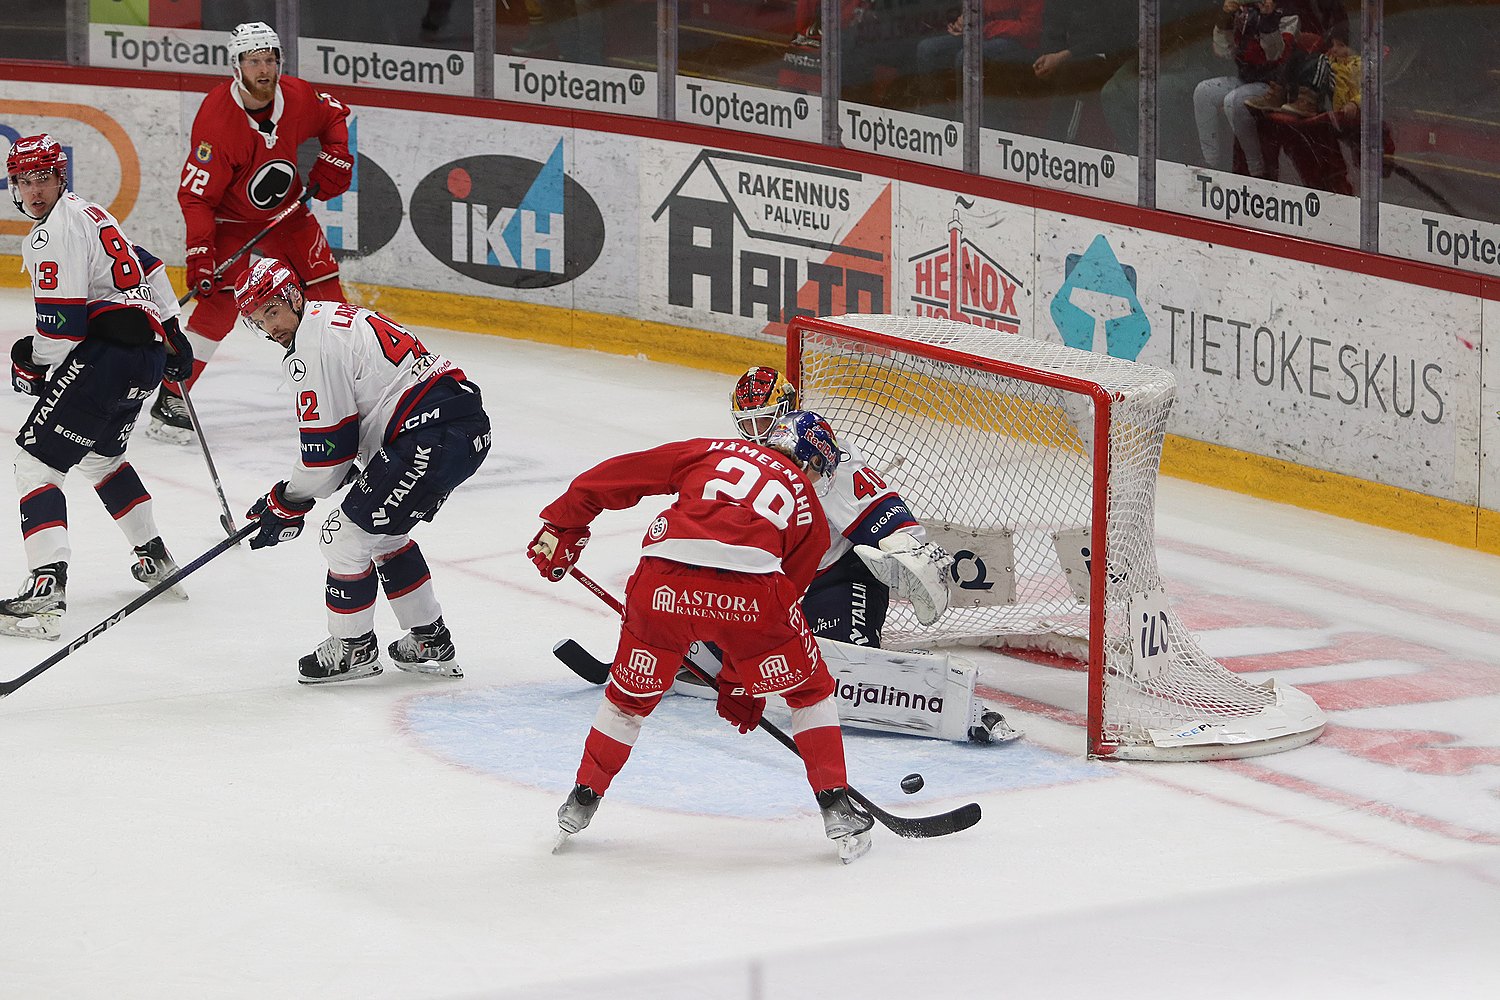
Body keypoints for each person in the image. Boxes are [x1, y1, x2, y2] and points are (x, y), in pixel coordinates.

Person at [529, 411, 875, 863]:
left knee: (627, 701)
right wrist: (738, 680)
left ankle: (581, 800)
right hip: (750, 595)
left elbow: (616, 475)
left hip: (660, 584)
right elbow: (781, 601)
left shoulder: (709, 450)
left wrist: (562, 525)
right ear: (812, 463)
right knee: (809, 693)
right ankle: (836, 807)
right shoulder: (807, 504)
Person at [682, 366, 1015, 745]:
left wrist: (906, 549)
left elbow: (898, 527)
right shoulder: (743, 464)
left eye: (765, 421)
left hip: (837, 577)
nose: (758, 434)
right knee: (700, 638)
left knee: (850, 675)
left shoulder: (829, 463)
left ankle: (946, 694)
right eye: (749, 422)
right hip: (776, 582)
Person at [233, 258, 490, 684]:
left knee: (343, 538)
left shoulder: (313, 345)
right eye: (259, 320)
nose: (270, 327)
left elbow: (326, 455)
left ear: (295, 296)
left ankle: (353, 648)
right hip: (454, 427)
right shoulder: (330, 320)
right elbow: (350, 439)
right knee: (383, 534)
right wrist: (311, 487)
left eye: (273, 311)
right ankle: (429, 639)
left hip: (431, 435)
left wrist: (288, 500)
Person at [2, 134, 194, 640]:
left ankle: (45, 592)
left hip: (108, 355)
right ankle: (155, 558)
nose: (34, 190)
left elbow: (62, 327)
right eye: (24, 180)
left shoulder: (49, 235)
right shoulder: (91, 213)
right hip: (144, 354)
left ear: (60, 177)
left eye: (42, 177)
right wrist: (172, 330)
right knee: (101, 457)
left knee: (35, 462)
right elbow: (148, 265)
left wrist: (35, 366)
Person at [156, 21, 354, 445]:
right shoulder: (217, 122)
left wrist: (337, 154)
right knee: (219, 309)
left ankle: (347, 391)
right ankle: (172, 396)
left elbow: (335, 114)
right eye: (254, 61)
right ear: (236, 66)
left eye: (270, 59)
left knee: (327, 298)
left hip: (288, 213)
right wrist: (199, 254)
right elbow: (196, 199)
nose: (264, 69)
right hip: (230, 222)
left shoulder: (298, 97)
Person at [1192, 0, 1298, 178]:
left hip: (1276, 85)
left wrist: (1268, 17)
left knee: (1233, 101)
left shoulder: (1287, 11)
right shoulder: (1244, 11)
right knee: (1203, 92)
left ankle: (1256, 171)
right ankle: (1209, 163)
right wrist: (1226, 16)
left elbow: (1276, 55)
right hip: (1246, 78)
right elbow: (1222, 50)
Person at [914, 0, 1043, 116]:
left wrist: (983, 28)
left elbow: (1029, 29)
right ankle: (934, 117)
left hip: (1018, 42)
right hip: (983, 32)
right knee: (927, 49)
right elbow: (979, 8)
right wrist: (965, 20)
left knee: (966, 57)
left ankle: (962, 122)